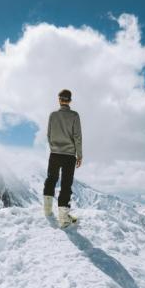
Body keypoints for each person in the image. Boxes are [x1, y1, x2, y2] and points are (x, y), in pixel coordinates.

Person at [43, 89, 82, 227]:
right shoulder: (74, 115)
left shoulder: (53, 115)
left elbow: (48, 134)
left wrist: (54, 148)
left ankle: (47, 211)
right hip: (69, 155)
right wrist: (79, 155)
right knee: (66, 185)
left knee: (51, 179)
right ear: (70, 100)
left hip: (54, 153)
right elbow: (77, 137)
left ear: (59, 99)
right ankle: (64, 219)